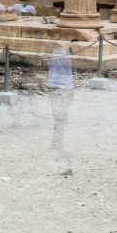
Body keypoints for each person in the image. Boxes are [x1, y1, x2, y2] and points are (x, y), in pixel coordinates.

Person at [46, 43, 74, 173]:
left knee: (60, 118)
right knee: (61, 118)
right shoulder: (65, 52)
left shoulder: (54, 50)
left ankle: (54, 142)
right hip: (63, 87)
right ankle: (57, 144)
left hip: (54, 84)